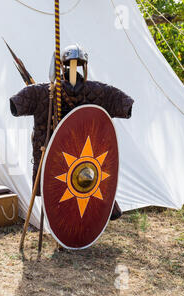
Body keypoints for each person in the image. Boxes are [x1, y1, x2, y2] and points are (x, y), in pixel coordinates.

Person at [10, 44, 133, 220]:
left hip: (83, 158)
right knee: (63, 194)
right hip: (53, 153)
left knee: (83, 188)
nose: (73, 68)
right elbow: (20, 102)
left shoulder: (97, 92)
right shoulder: (47, 92)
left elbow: (121, 103)